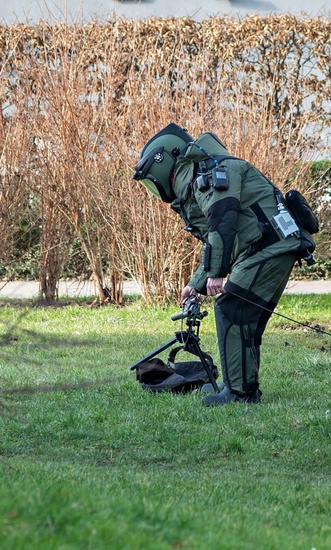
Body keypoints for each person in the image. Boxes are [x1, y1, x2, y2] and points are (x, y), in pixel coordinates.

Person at [132, 123, 315, 406]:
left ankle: (238, 393)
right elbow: (216, 240)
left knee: (233, 309)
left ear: (164, 161)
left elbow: (222, 220)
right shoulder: (201, 178)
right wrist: (195, 285)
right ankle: (243, 388)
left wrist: (216, 274)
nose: (154, 190)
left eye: (150, 182)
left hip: (268, 248)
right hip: (270, 247)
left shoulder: (213, 173)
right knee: (244, 320)